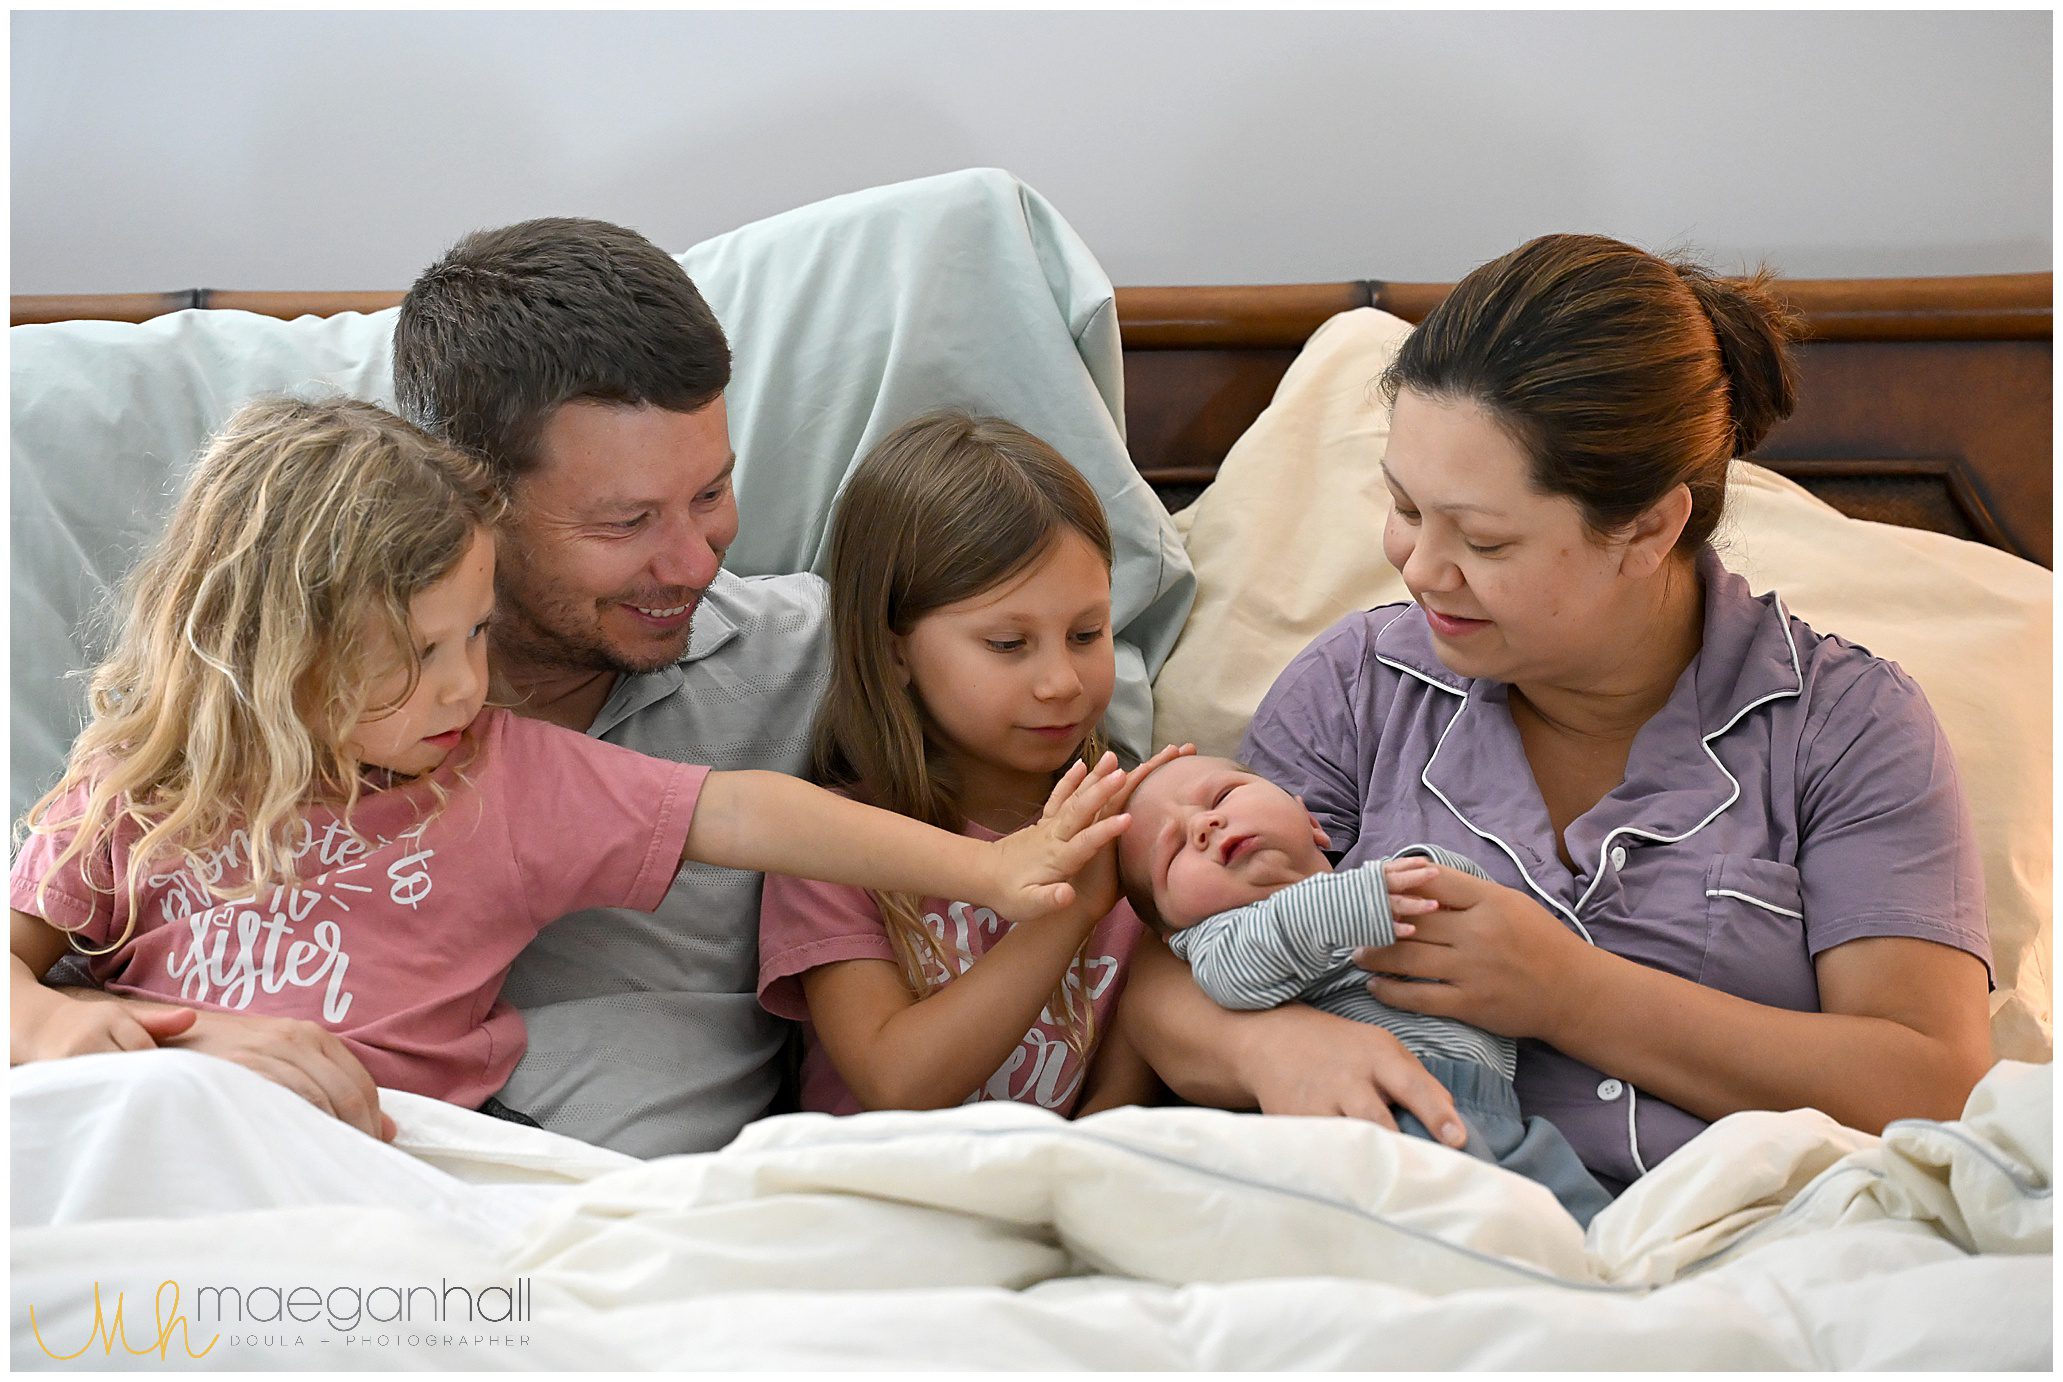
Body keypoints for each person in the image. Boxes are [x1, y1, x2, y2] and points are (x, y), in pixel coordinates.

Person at [8, 398, 1139, 1124]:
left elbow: (742, 812)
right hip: (148, 1112)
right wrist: (54, 1023)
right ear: (278, 646)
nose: (465, 685)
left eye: (476, 636)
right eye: (414, 656)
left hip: (388, 1158)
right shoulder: (140, 782)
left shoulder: (500, 777)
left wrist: (990, 870)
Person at [1195, 233, 1992, 1194]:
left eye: (1484, 540)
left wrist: (1567, 993)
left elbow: (1932, 1084)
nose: (1420, 568)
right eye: (1405, 508)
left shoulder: (1846, 730)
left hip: (1751, 1238)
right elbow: (1159, 960)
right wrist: (1265, 1050)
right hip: (1407, 1224)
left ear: (1648, 527)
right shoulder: (1355, 689)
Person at [757, 412, 1182, 1117]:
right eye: (1008, 644)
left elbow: (1125, 1095)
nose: (1061, 683)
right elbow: (896, 1084)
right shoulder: (830, 848)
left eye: (1086, 634)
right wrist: (1069, 912)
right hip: (880, 1181)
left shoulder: (1127, 825)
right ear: (893, 649)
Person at [1116, 753, 1611, 1223]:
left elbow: (1488, 931)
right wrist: (1361, 901)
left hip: (1495, 1111)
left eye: (1222, 796)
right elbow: (1237, 970)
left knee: (1587, 1224)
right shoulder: (1215, 942)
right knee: (1470, 1228)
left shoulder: (1382, 888)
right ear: (1172, 932)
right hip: (1368, 1112)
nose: (1203, 825)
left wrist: (1433, 879)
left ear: (1310, 820)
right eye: (1172, 852)